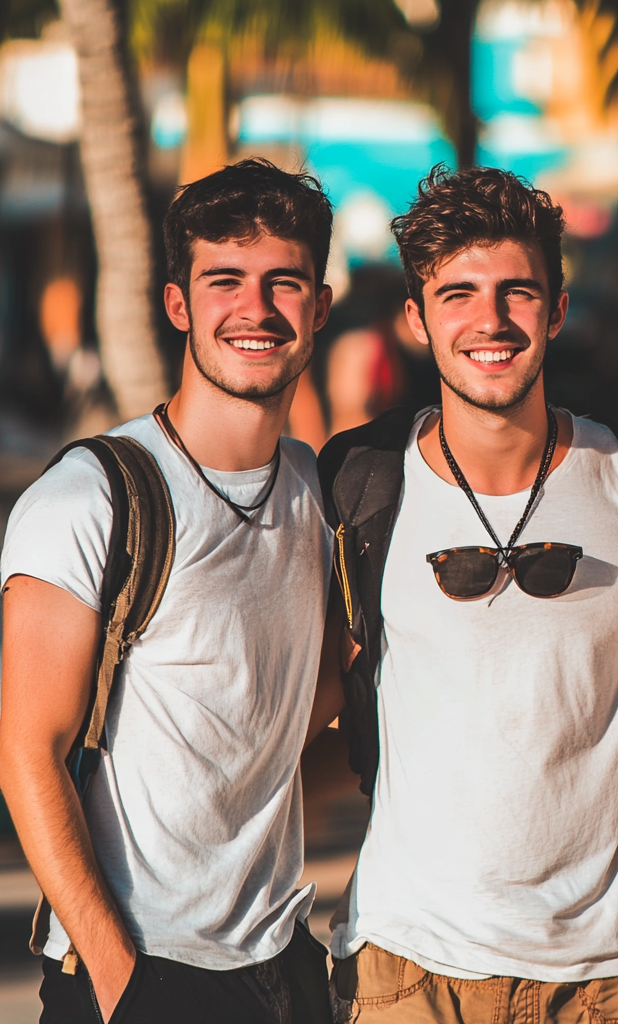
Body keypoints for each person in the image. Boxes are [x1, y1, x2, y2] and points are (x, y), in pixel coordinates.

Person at [310, 166, 618, 1024]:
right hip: (405, 971)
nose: (489, 322)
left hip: (607, 978)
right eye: (458, 295)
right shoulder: (357, 487)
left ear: (556, 311)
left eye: (517, 293)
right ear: (416, 320)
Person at [0, 159, 337, 1024]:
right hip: (138, 973)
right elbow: (24, 754)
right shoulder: (92, 497)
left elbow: (291, 723)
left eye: (283, 283)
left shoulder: (313, 490)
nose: (255, 310)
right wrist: (125, 986)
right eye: (224, 281)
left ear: (320, 308)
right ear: (178, 305)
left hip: (280, 966)